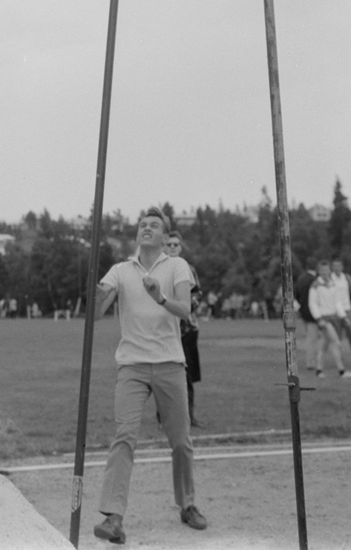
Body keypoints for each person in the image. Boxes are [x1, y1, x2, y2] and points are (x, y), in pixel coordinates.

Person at [92, 207, 208, 544]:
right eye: (142, 224)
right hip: (132, 366)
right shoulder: (120, 270)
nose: (146, 228)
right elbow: (96, 313)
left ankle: (187, 505)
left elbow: (185, 310)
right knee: (124, 436)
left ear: (164, 235)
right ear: (137, 234)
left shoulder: (177, 266)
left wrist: (159, 296)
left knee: (181, 442)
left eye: (154, 225)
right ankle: (114, 518)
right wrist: (96, 292)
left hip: (171, 363)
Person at [164, 231, 202, 427]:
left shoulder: (188, 269)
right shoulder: (158, 269)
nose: (172, 247)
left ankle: (189, 416)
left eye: (175, 245)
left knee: (187, 377)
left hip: (187, 330)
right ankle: (164, 418)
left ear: (180, 247)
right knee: (163, 376)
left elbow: (198, 294)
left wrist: (185, 306)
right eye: (169, 244)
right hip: (164, 331)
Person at [307, 260, 351, 379]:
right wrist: (318, 318)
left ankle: (319, 370)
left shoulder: (332, 283)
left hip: (334, 317)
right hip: (324, 319)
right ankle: (341, 370)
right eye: (322, 270)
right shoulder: (315, 286)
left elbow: (337, 302)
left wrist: (343, 316)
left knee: (324, 344)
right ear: (319, 272)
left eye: (327, 270)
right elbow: (312, 304)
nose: (325, 272)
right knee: (336, 342)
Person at [331, 258, 351, 369]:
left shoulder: (346, 278)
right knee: (338, 337)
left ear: (342, 267)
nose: (337, 268)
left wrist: (349, 305)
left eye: (338, 266)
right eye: (334, 266)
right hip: (336, 311)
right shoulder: (330, 279)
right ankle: (340, 360)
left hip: (347, 309)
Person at [294, 264, 320, 374]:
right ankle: (311, 362)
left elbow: (295, 296)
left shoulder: (301, 279)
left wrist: (299, 309)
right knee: (312, 339)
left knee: (311, 337)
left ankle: (313, 361)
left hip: (304, 312)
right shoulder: (315, 280)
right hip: (314, 313)